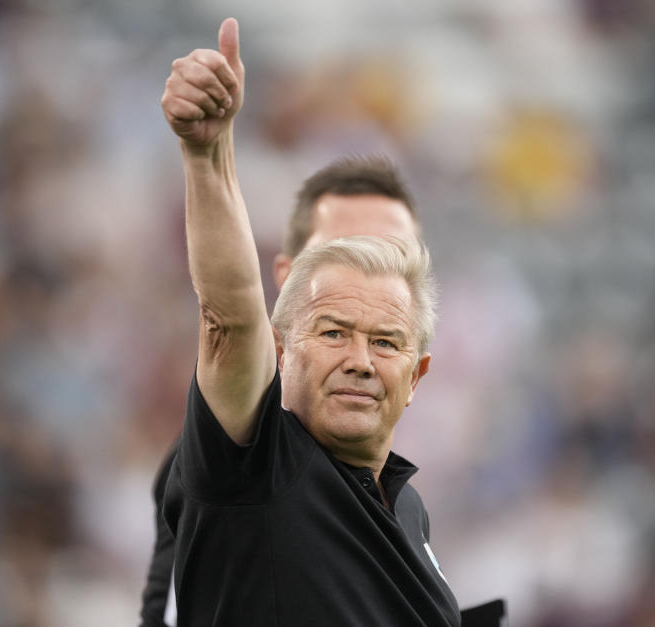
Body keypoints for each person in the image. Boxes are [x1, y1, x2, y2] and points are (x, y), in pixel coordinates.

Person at [153, 17, 504, 626]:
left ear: (417, 375)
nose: (360, 359)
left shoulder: (408, 510)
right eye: (334, 332)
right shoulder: (255, 463)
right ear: (282, 350)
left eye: (386, 342)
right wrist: (208, 155)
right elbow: (230, 315)